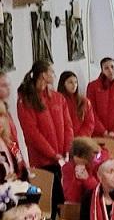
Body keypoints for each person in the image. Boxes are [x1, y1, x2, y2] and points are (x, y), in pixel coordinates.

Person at [17, 60, 73, 212]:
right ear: (43, 75)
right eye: (51, 72)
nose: (53, 75)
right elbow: (32, 134)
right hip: (43, 160)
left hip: (61, 157)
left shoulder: (58, 98)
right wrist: (53, 154)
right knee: (51, 201)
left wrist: (67, 150)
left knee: (64, 200)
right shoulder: (26, 100)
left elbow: (68, 125)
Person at [0, 71, 28, 182]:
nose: (8, 89)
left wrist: (21, 163)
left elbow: (13, 142)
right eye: (3, 85)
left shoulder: (6, 110)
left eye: (8, 85)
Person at [61, 137, 101, 204]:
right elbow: (71, 197)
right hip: (75, 205)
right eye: (88, 159)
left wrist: (87, 179)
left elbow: (99, 192)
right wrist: (78, 179)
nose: (91, 161)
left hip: (93, 204)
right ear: (77, 156)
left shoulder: (94, 166)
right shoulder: (68, 169)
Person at [58, 71, 95, 138]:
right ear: (63, 84)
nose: (74, 85)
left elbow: (89, 123)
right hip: (63, 140)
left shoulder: (84, 101)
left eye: (75, 82)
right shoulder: (58, 102)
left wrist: (79, 137)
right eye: (70, 82)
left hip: (81, 141)